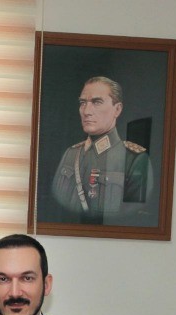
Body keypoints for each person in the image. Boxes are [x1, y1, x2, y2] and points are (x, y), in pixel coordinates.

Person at [50, 76, 156, 226]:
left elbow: (131, 217)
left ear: (117, 109)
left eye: (97, 102)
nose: (86, 111)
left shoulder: (134, 159)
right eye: (83, 103)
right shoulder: (71, 154)